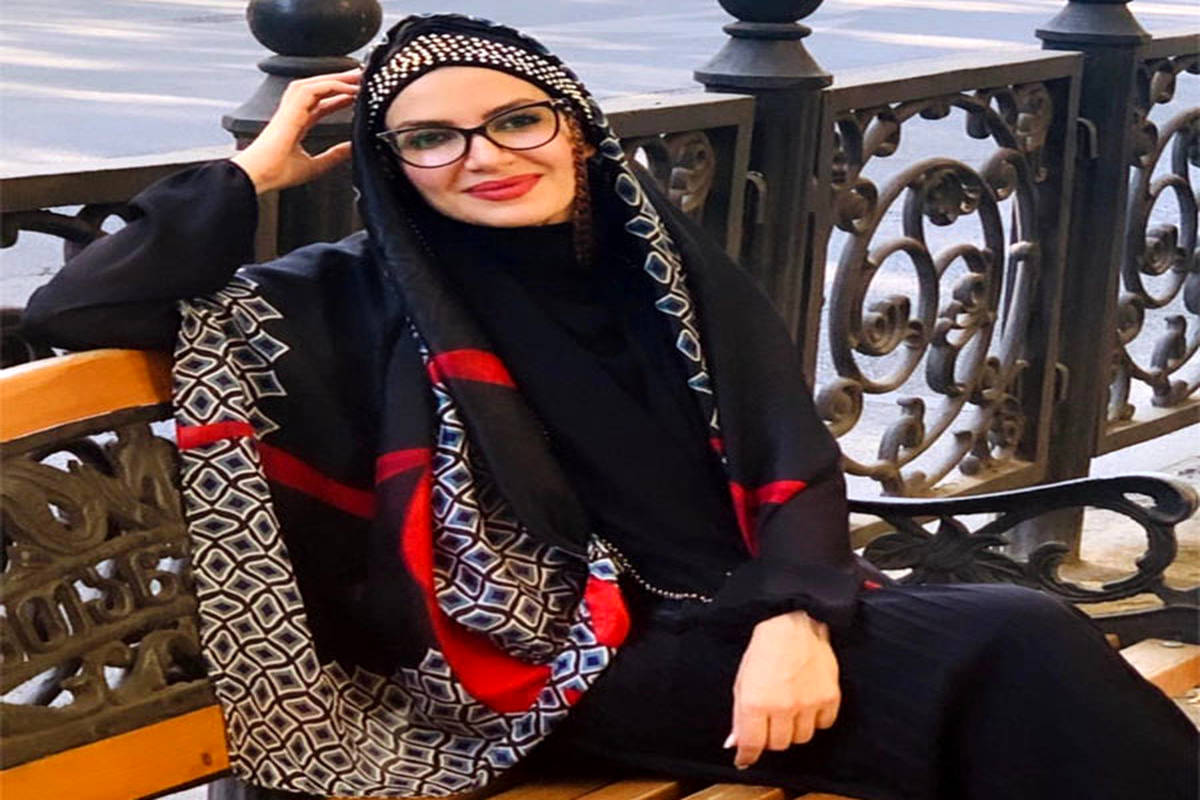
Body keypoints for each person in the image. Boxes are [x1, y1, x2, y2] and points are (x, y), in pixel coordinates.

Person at [21, 14, 1198, 800]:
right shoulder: (343, 301)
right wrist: (253, 170)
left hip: (727, 613)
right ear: (388, 166)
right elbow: (78, 308)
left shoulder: (656, 269)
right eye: (429, 138)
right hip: (540, 668)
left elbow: (788, 451)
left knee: (1012, 667)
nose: (483, 154)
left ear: (575, 129)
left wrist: (793, 612)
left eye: (515, 119)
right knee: (1010, 648)